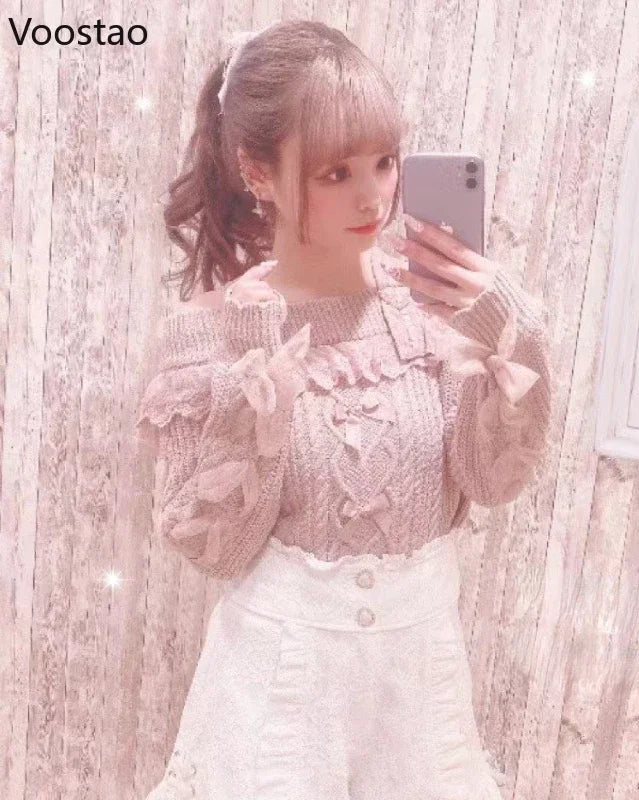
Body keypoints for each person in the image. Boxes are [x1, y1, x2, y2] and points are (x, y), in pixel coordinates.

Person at [135, 18, 551, 800]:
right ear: (257, 172)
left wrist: (499, 320)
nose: (374, 196)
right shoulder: (211, 334)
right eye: (335, 173)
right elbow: (217, 549)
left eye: (385, 162)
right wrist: (253, 375)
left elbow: (492, 479)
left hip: (418, 687)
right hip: (278, 690)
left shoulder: (429, 307)